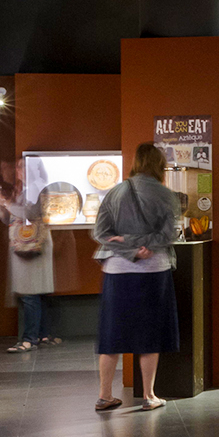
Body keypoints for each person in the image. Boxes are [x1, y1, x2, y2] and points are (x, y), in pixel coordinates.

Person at [92, 142, 179, 411]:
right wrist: (145, 247)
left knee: (111, 335)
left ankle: (105, 395)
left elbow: (100, 233)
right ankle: (149, 396)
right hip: (154, 270)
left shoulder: (114, 193)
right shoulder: (166, 195)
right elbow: (169, 234)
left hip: (116, 271)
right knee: (150, 334)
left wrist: (128, 246)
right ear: (159, 165)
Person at [0, 158, 59, 354]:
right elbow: (12, 217)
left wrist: (5, 202)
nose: (17, 170)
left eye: (22, 166)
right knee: (36, 293)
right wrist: (0, 203)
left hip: (32, 247)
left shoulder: (37, 187)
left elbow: (31, 212)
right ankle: (42, 335)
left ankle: (29, 339)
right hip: (29, 245)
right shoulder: (27, 189)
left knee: (30, 293)